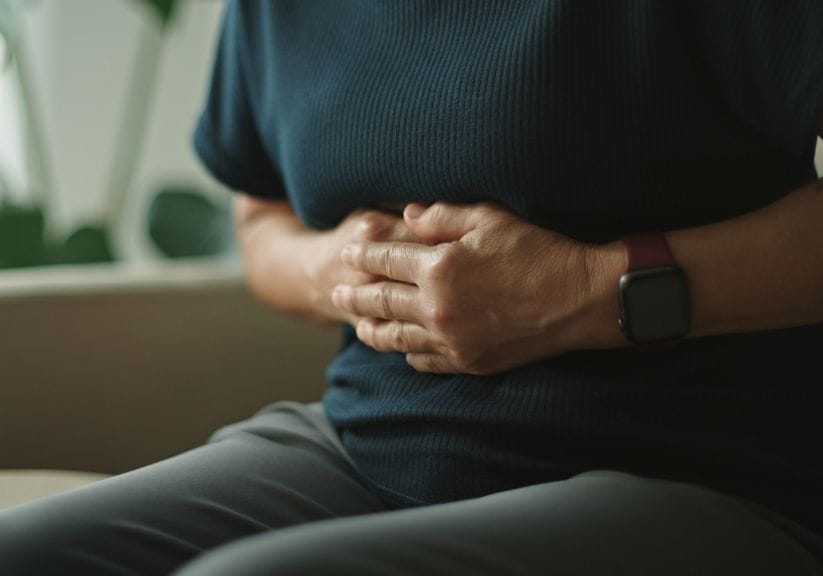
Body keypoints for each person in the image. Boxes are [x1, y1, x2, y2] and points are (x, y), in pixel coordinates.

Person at [2, 1, 823, 574]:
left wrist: (584, 292)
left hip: (693, 467)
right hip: (366, 443)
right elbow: (261, 220)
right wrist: (335, 271)